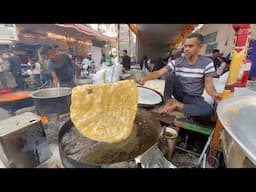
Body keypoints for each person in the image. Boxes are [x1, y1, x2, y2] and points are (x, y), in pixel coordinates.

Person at [139, 32, 221, 117]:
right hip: (179, 93)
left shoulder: (207, 63)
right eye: (185, 46)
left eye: (190, 46)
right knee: (170, 76)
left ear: (199, 47)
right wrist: (144, 79)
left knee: (209, 111)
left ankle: (177, 105)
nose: (186, 49)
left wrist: (215, 95)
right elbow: (159, 72)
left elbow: (209, 86)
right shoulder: (178, 62)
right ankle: (168, 102)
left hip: (194, 98)